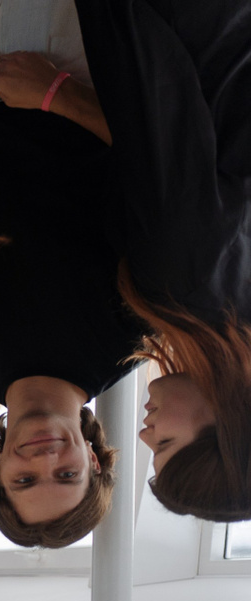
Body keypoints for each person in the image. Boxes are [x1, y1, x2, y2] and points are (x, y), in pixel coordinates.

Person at [0, 6, 142, 549]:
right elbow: (159, 166)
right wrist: (55, 93)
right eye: (66, 475)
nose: (45, 459)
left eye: (25, 481)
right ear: (94, 460)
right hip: (74, 61)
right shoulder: (131, 337)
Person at [74, 0, 251, 523]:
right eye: (165, 444)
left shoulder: (230, 309)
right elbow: (159, 106)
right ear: (228, 422)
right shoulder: (183, 291)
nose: (144, 434)